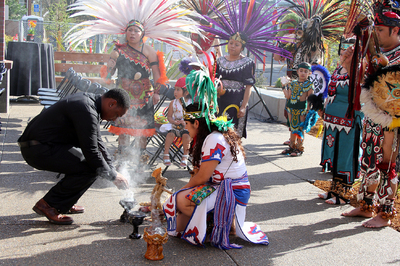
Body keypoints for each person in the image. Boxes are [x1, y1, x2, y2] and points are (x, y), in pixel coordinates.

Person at [66, 0, 202, 158]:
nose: (132, 34)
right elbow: (108, 75)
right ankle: (122, 158)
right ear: (125, 32)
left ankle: (140, 160)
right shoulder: (119, 50)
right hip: (123, 95)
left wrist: (157, 93)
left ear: (142, 34)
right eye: (130, 30)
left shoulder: (149, 51)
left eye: (136, 31)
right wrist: (110, 65)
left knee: (143, 130)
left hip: (144, 97)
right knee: (123, 127)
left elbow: (158, 76)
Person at [163, 67, 268, 249]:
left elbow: (203, 178)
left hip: (232, 191)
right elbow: (200, 174)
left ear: (197, 123)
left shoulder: (213, 139)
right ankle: (220, 220)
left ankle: (221, 224)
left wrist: (180, 191)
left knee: (179, 200)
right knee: (178, 226)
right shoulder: (211, 134)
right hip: (224, 187)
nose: (186, 129)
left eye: (187, 124)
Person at [18, 89, 131, 225]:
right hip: (37, 150)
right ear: (111, 103)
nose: (115, 119)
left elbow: (98, 143)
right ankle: (48, 205)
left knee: (94, 165)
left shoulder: (89, 103)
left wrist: (113, 169)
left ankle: (64, 203)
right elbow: (91, 151)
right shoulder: (86, 110)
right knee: (91, 167)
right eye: (117, 114)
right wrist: (113, 176)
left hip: (43, 146)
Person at [342, 0, 400, 228]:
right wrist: (349, 64)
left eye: (380, 30)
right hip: (372, 118)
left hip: (392, 121)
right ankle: (366, 205)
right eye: (374, 29)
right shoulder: (375, 52)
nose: (376, 33)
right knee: (368, 160)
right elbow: (364, 84)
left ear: (396, 30)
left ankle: (385, 213)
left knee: (387, 162)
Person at [200, 0, 291, 138]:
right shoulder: (220, 60)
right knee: (217, 132)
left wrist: (244, 106)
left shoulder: (247, 62)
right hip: (220, 100)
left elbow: (248, 87)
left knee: (232, 134)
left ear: (242, 47)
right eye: (231, 43)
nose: (232, 46)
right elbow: (214, 81)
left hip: (236, 100)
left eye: (236, 44)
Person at [318, 37, 364, 205]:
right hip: (333, 121)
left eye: (351, 49)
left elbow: (358, 90)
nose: (346, 51)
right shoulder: (339, 68)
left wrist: (350, 64)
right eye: (344, 48)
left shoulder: (359, 69)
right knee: (335, 155)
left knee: (345, 156)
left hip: (348, 122)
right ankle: (333, 190)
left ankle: (343, 193)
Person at [281, 62, 314, 157]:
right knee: (292, 128)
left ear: (309, 73)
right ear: (297, 72)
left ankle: (299, 148)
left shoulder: (309, 85)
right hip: (291, 108)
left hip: (301, 109)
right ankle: (292, 147)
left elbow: (310, 99)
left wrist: (308, 111)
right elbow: (288, 96)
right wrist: (283, 86)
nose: (303, 73)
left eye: (305, 71)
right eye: (301, 71)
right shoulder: (293, 83)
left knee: (300, 128)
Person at [160, 77, 192, 167]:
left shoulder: (191, 103)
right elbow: (169, 116)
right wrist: (173, 121)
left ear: (186, 92)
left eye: (178, 90)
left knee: (186, 136)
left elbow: (193, 117)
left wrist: (185, 121)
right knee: (170, 134)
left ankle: (185, 155)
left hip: (186, 126)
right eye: (175, 89)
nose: (175, 92)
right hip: (175, 125)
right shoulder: (173, 103)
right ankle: (166, 152)